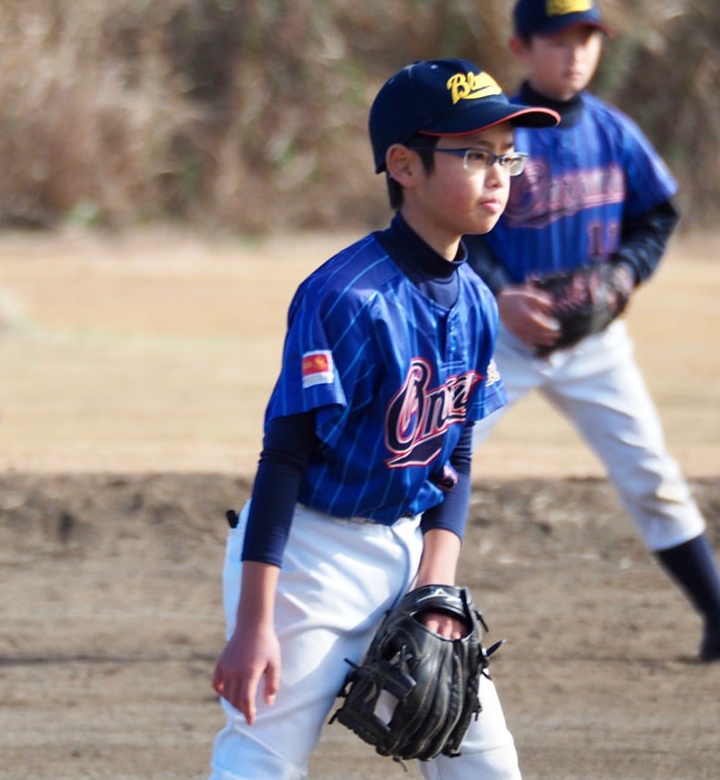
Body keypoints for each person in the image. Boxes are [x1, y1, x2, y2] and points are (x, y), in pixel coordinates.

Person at [209, 58, 559, 779]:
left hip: (407, 551)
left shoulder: (478, 303)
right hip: (309, 554)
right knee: (263, 758)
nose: (498, 174)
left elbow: (456, 453)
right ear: (404, 164)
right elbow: (284, 458)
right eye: (472, 154)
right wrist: (253, 626)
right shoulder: (344, 297)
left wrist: (436, 590)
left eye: (506, 155)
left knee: (487, 765)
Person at [465, 0, 720, 665]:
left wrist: (621, 276)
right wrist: (498, 294)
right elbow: (454, 227)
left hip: (593, 342)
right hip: (500, 334)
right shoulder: (491, 130)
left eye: (586, 39)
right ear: (520, 47)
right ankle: (367, 610)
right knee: (430, 463)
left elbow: (657, 215)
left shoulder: (613, 131)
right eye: (557, 41)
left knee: (649, 472)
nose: (574, 55)